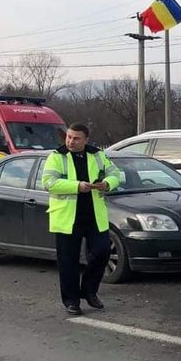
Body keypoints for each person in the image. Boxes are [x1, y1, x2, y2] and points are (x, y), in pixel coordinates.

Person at [41, 123, 122, 315]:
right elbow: (48, 183)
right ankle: (71, 301)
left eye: (76, 138)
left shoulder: (97, 155)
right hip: (67, 217)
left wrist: (107, 184)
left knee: (102, 253)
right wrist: (77, 186)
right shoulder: (57, 156)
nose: (70, 141)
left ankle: (89, 291)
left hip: (94, 216)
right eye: (69, 137)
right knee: (68, 262)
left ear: (86, 140)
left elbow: (116, 174)